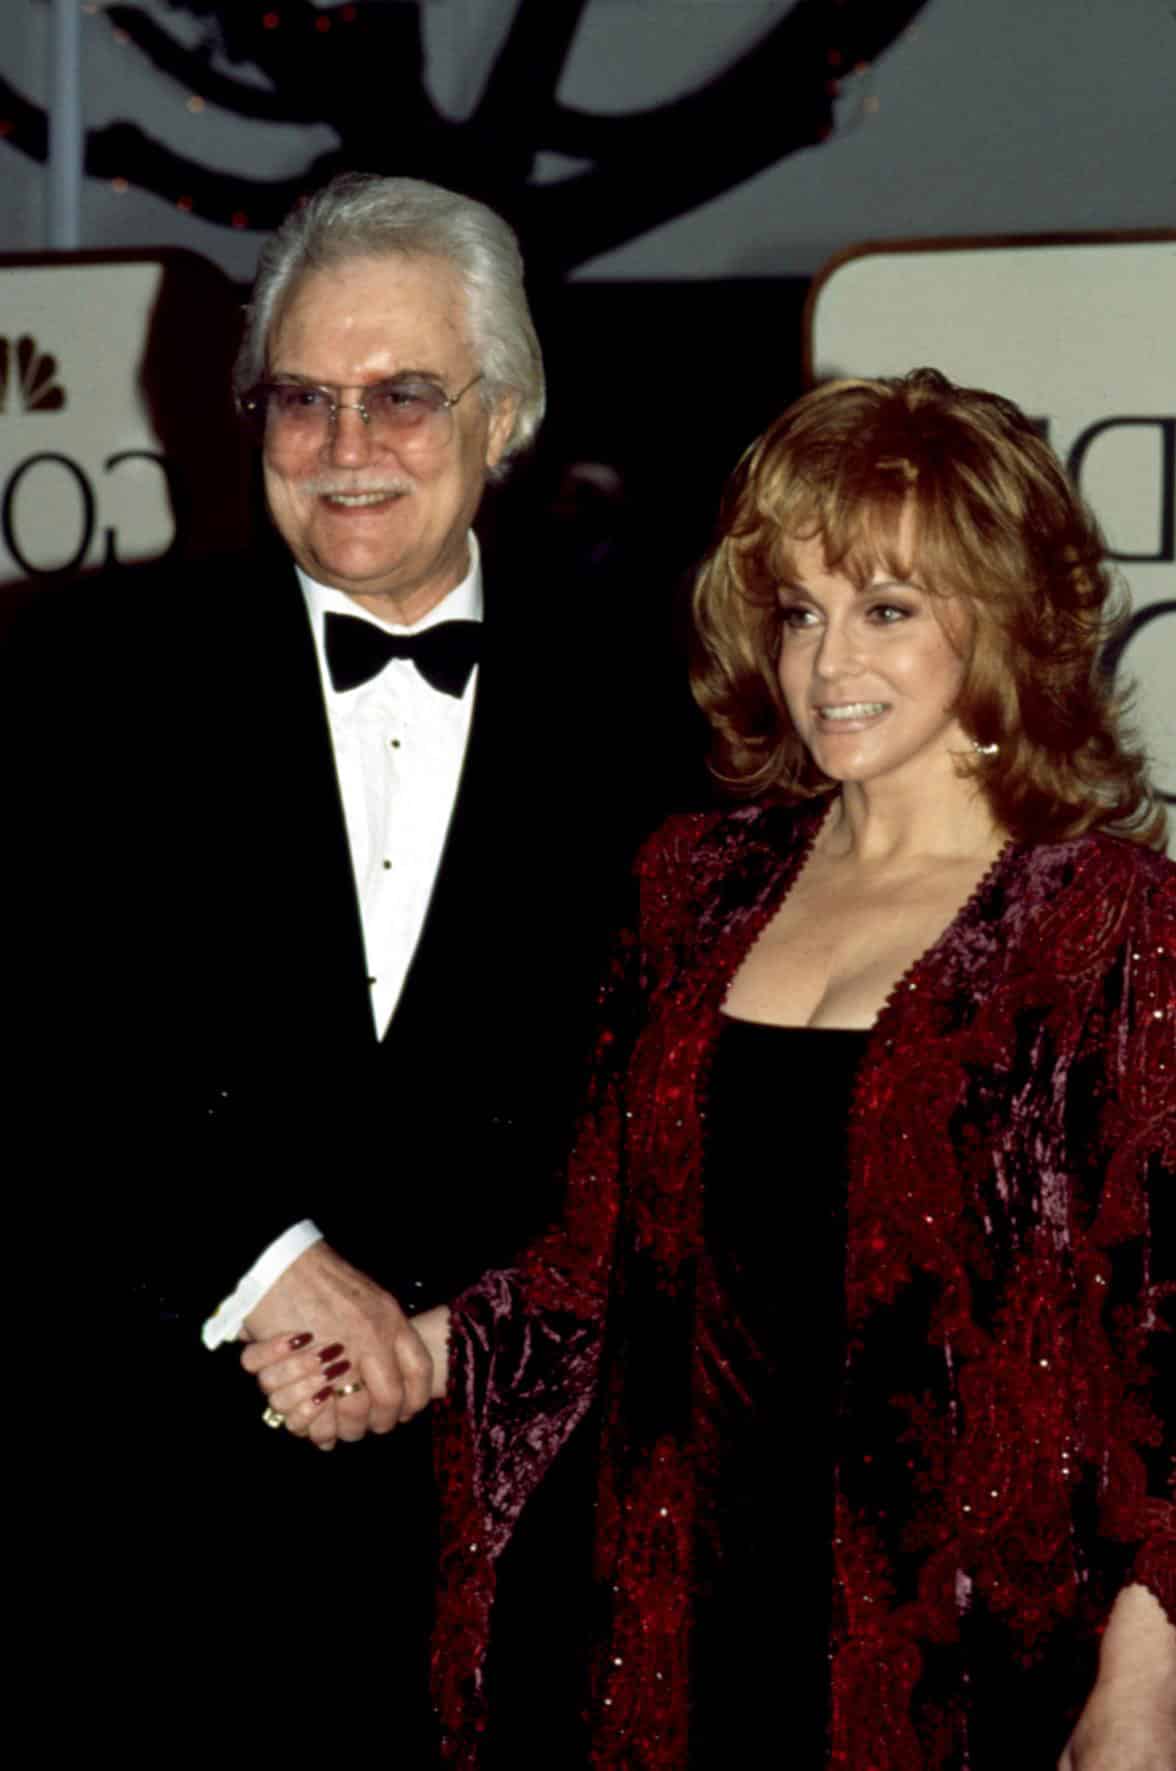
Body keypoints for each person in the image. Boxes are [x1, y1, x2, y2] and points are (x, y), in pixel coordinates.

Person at [247, 368, 1174, 1768]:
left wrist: (1144, 1693)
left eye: (886, 611)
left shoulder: (1111, 924)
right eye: (799, 613)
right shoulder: (696, 885)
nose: (826, 664)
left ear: (1006, 618)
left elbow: (1164, 1351)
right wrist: (414, 1354)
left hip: (975, 1673)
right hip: (670, 1642)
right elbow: (597, 1257)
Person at [3, 172, 675, 1759]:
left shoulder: (659, 712)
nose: (346, 443)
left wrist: (452, 1345)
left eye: (401, 395)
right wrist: (259, 1266)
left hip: (517, 1542)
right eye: (301, 397)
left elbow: (670, 1116)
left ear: (504, 414)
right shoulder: (78, 678)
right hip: (149, 1532)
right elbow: (30, 1038)